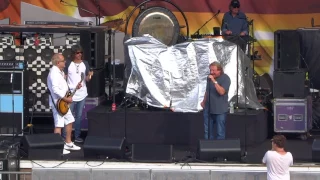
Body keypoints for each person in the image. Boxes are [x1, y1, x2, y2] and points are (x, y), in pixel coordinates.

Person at [47, 53, 81, 155]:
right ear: (58, 63)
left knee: (70, 120)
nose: (65, 62)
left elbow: (63, 87)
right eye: (63, 61)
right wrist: (66, 98)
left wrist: (75, 87)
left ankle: (68, 142)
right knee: (59, 124)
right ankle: (58, 146)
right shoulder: (54, 73)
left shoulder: (60, 72)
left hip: (63, 102)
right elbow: (55, 89)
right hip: (58, 103)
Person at [63, 45, 93, 143]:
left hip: (82, 93)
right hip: (70, 94)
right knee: (68, 115)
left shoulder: (85, 63)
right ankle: (65, 136)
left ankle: (77, 136)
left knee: (79, 116)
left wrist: (90, 76)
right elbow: (64, 77)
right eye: (77, 53)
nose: (79, 54)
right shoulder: (68, 63)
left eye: (81, 53)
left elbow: (87, 79)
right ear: (73, 54)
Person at [201, 62, 231, 140]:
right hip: (208, 109)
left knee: (220, 132)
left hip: (220, 110)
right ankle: (208, 149)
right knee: (207, 132)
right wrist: (204, 101)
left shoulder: (226, 78)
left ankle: (219, 150)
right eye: (210, 70)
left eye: (214, 70)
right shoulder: (209, 78)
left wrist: (214, 81)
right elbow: (207, 91)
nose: (211, 72)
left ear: (219, 70)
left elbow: (221, 92)